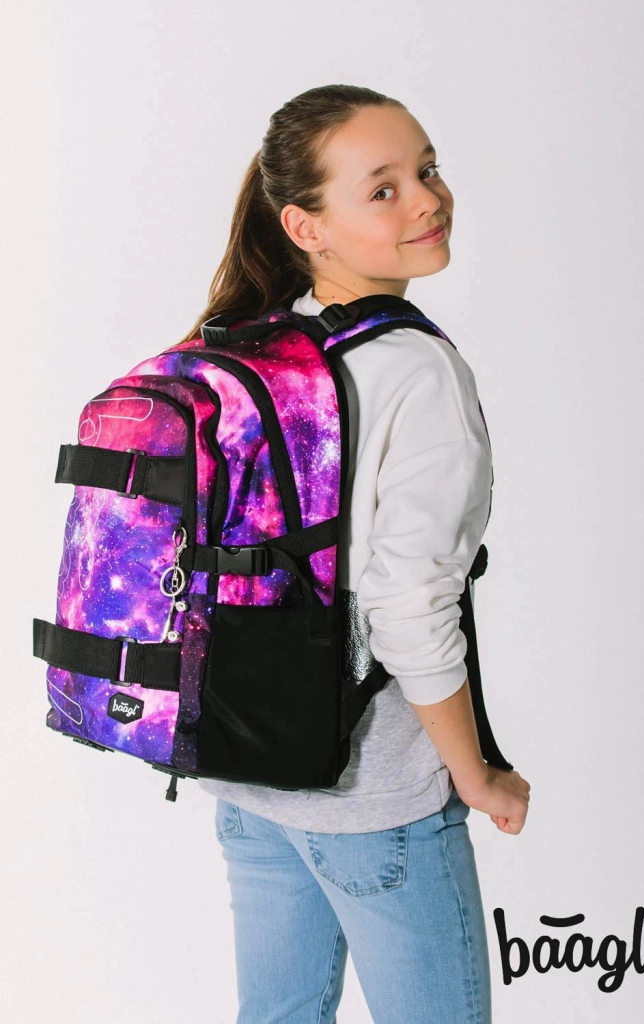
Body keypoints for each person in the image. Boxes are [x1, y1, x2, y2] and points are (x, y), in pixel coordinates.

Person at [179, 83, 531, 1024]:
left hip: (249, 776)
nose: (426, 199)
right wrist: (473, 774)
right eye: (382, 189)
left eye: (427, 169)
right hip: (375, 801)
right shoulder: (413, 370)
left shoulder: (260, 349)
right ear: (306, 227)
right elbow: (408, 605)